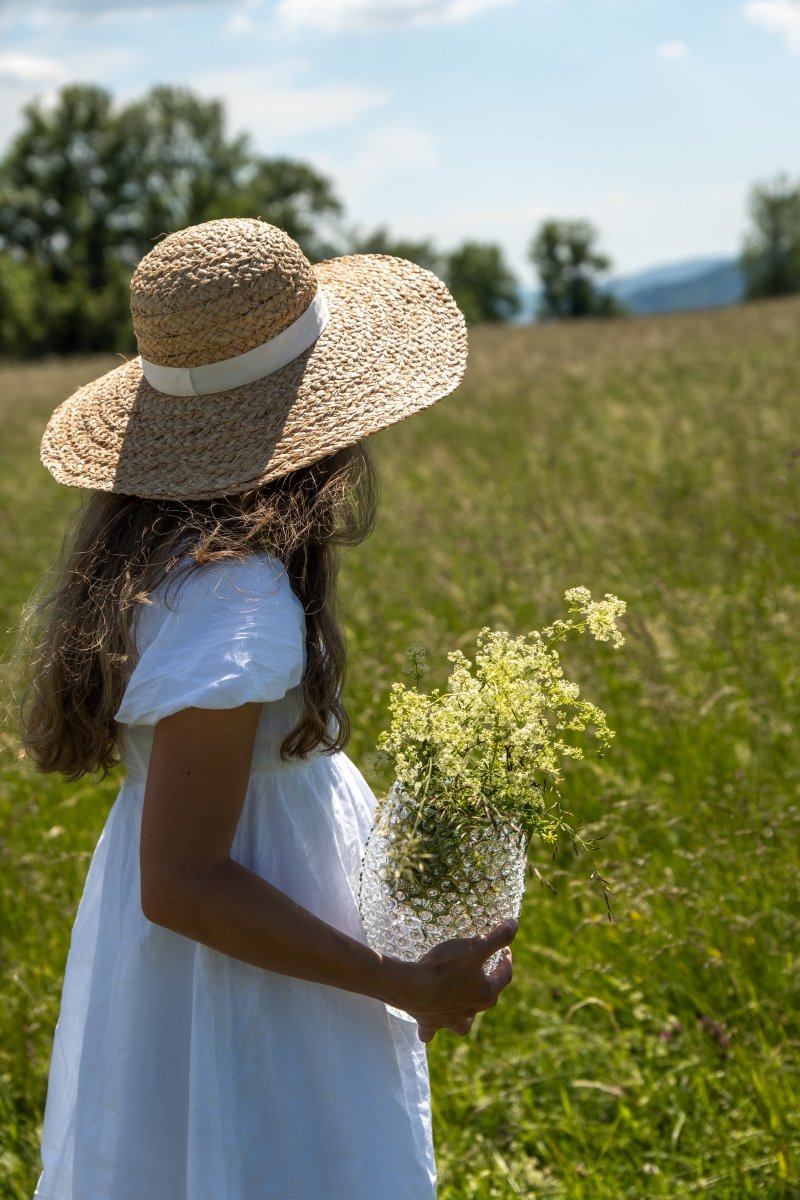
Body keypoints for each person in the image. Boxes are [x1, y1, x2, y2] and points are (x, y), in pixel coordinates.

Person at [20, 217, 517, 1200]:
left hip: (224, 957)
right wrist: (404, 982)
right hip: (252, 981)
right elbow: (186, 881)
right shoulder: (233, 595)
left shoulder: (170, 557)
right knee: (264, 1157)